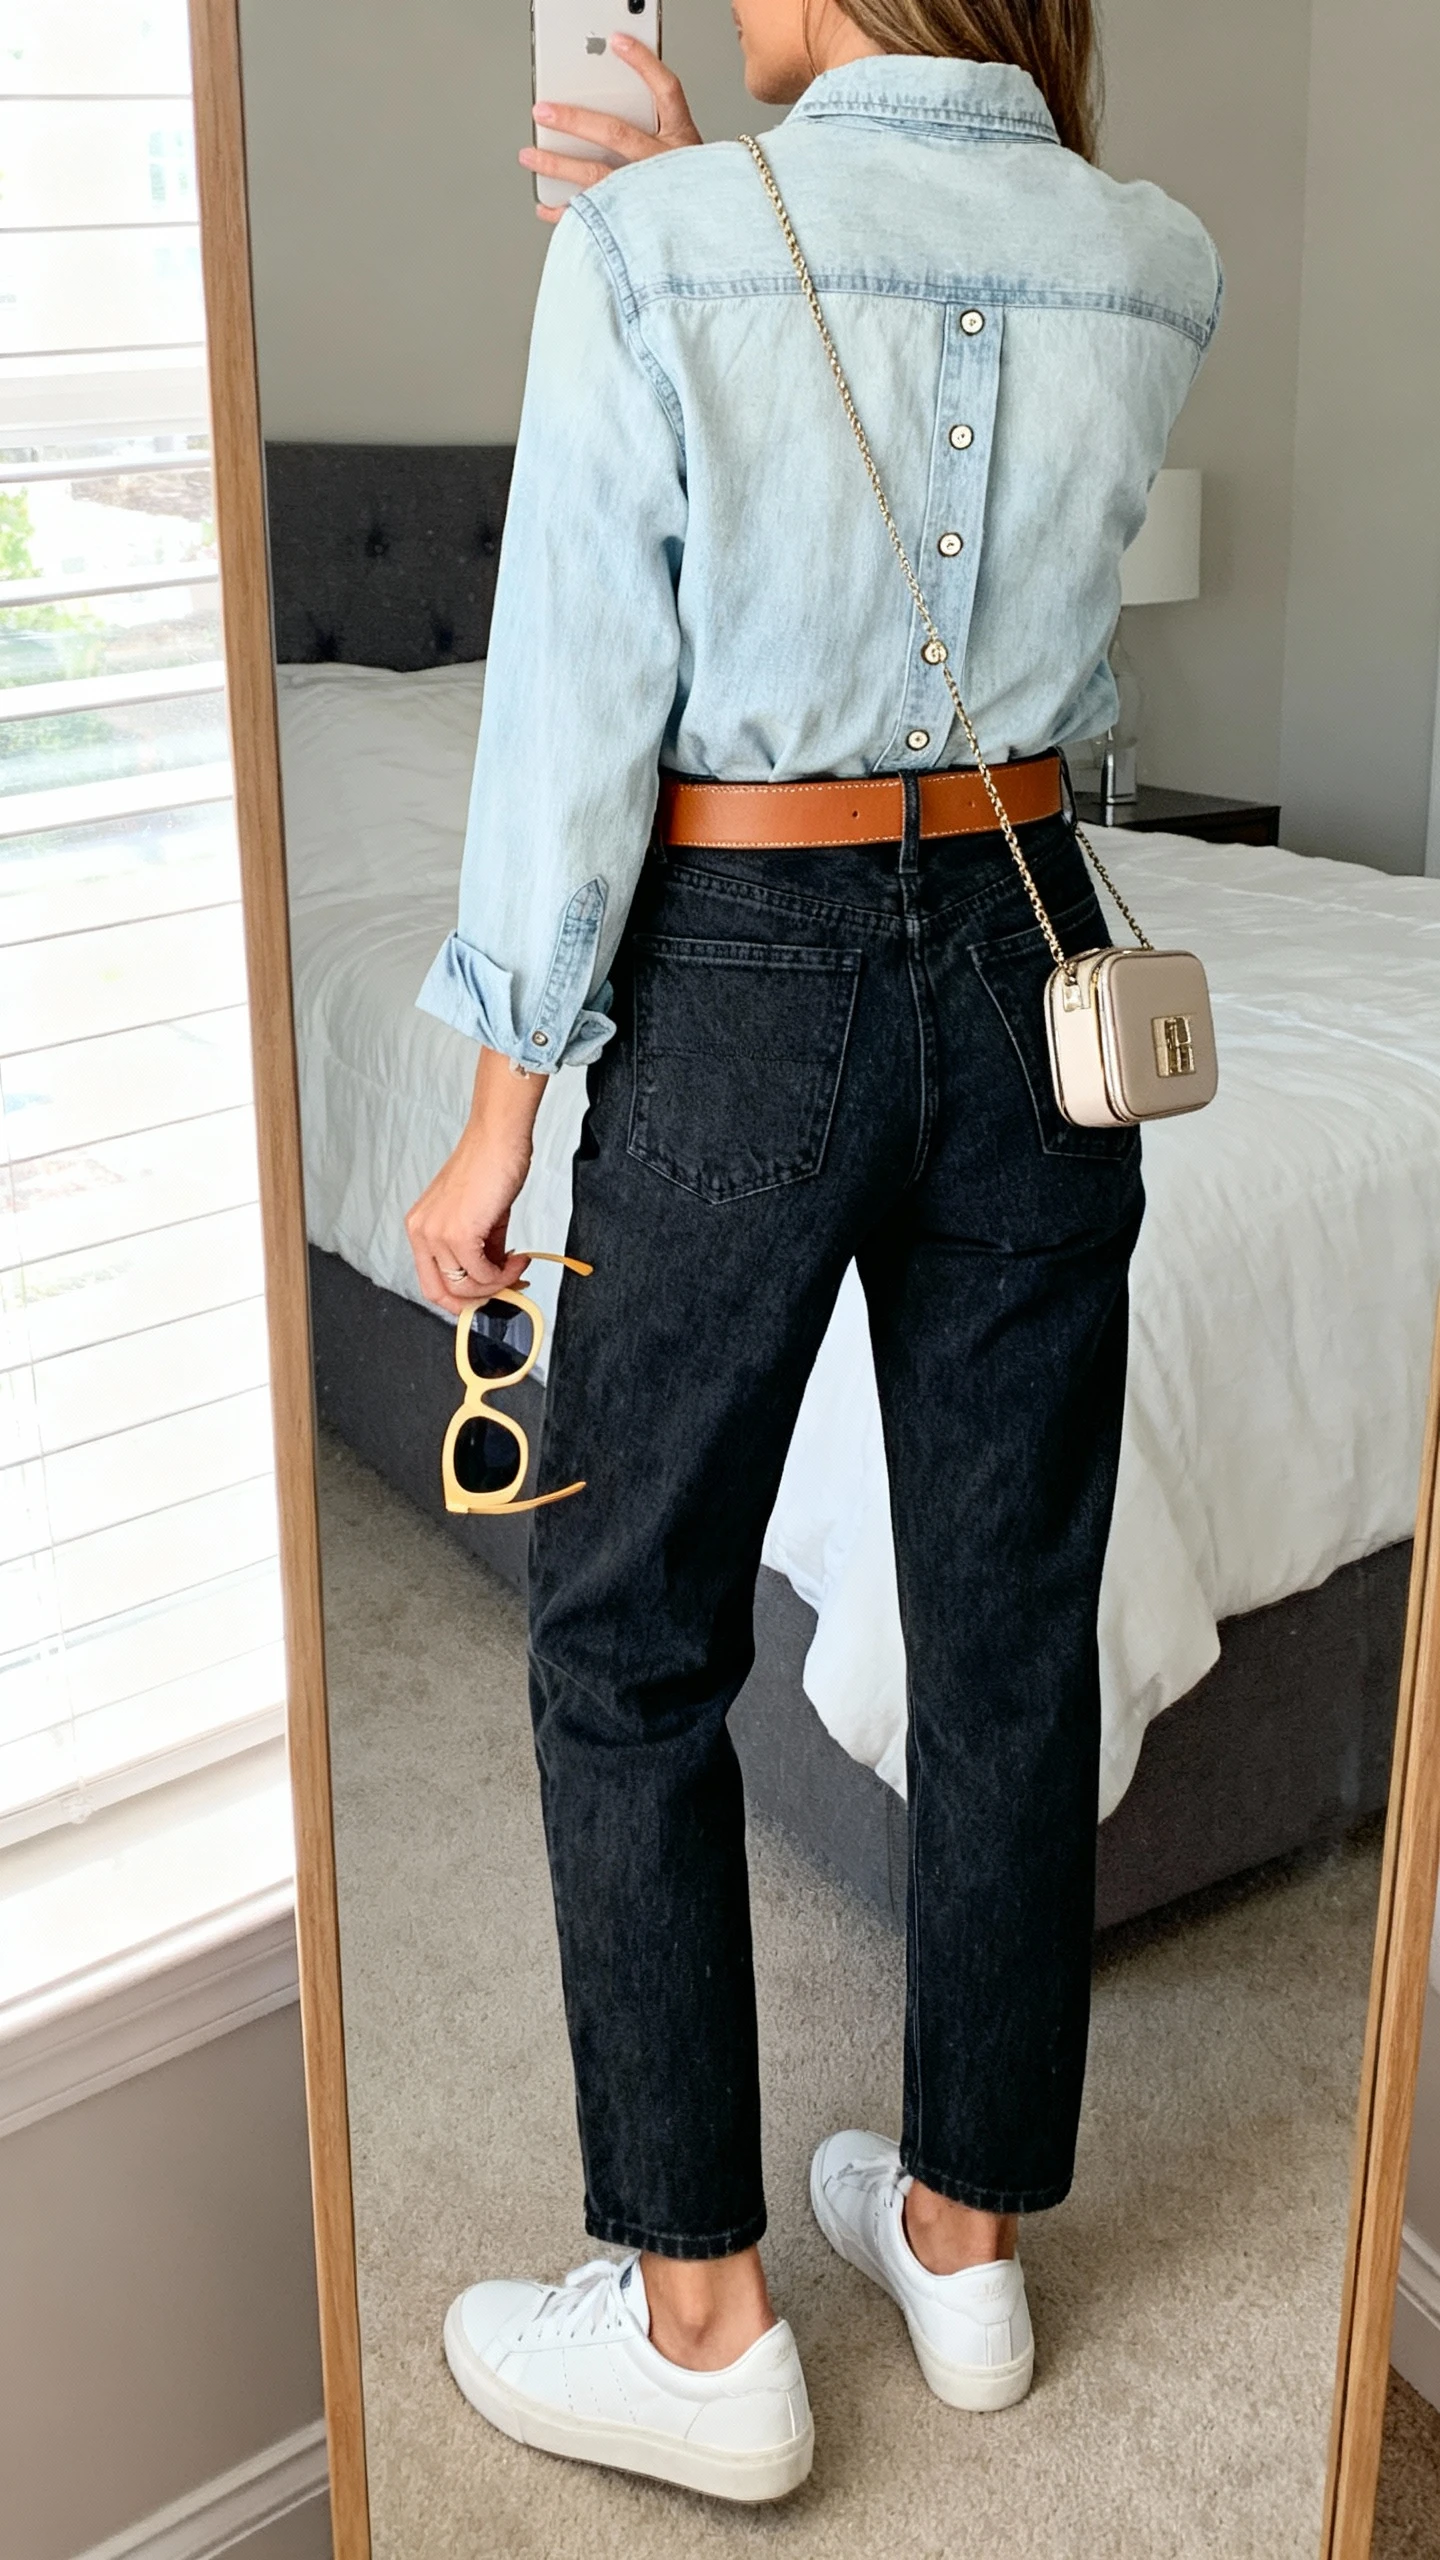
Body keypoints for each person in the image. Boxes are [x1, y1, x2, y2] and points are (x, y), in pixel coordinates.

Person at [407, 0, 1220, 2505]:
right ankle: (966, 2238)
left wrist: (494, 1116)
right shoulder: (1152, 253)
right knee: (1008, 1627)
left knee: (627, 1632)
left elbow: (575, 711)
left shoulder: (658, 254)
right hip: (1034, 956)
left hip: (745, 986)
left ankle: (702, 2318)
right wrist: (698, 210)